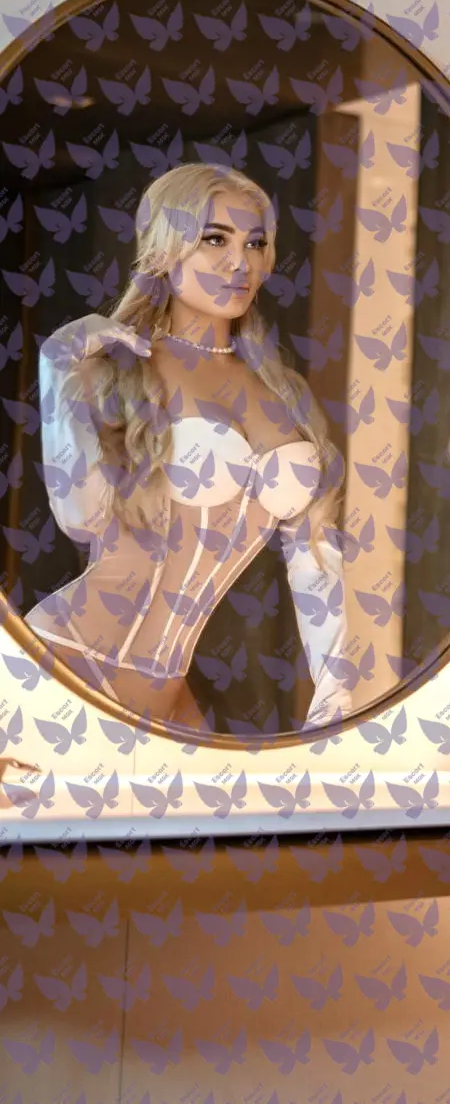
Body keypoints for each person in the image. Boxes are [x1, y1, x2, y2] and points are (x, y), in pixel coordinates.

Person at [24, 163, 350, 733]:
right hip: (64, 664)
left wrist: (337, 694)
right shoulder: (120, 368)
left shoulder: (284, 393)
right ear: (165, 250)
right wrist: (57, 368)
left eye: (255, 243)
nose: (239, 263)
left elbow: (315, 564)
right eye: (214, 239)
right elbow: (79, 517)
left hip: (170, 699)